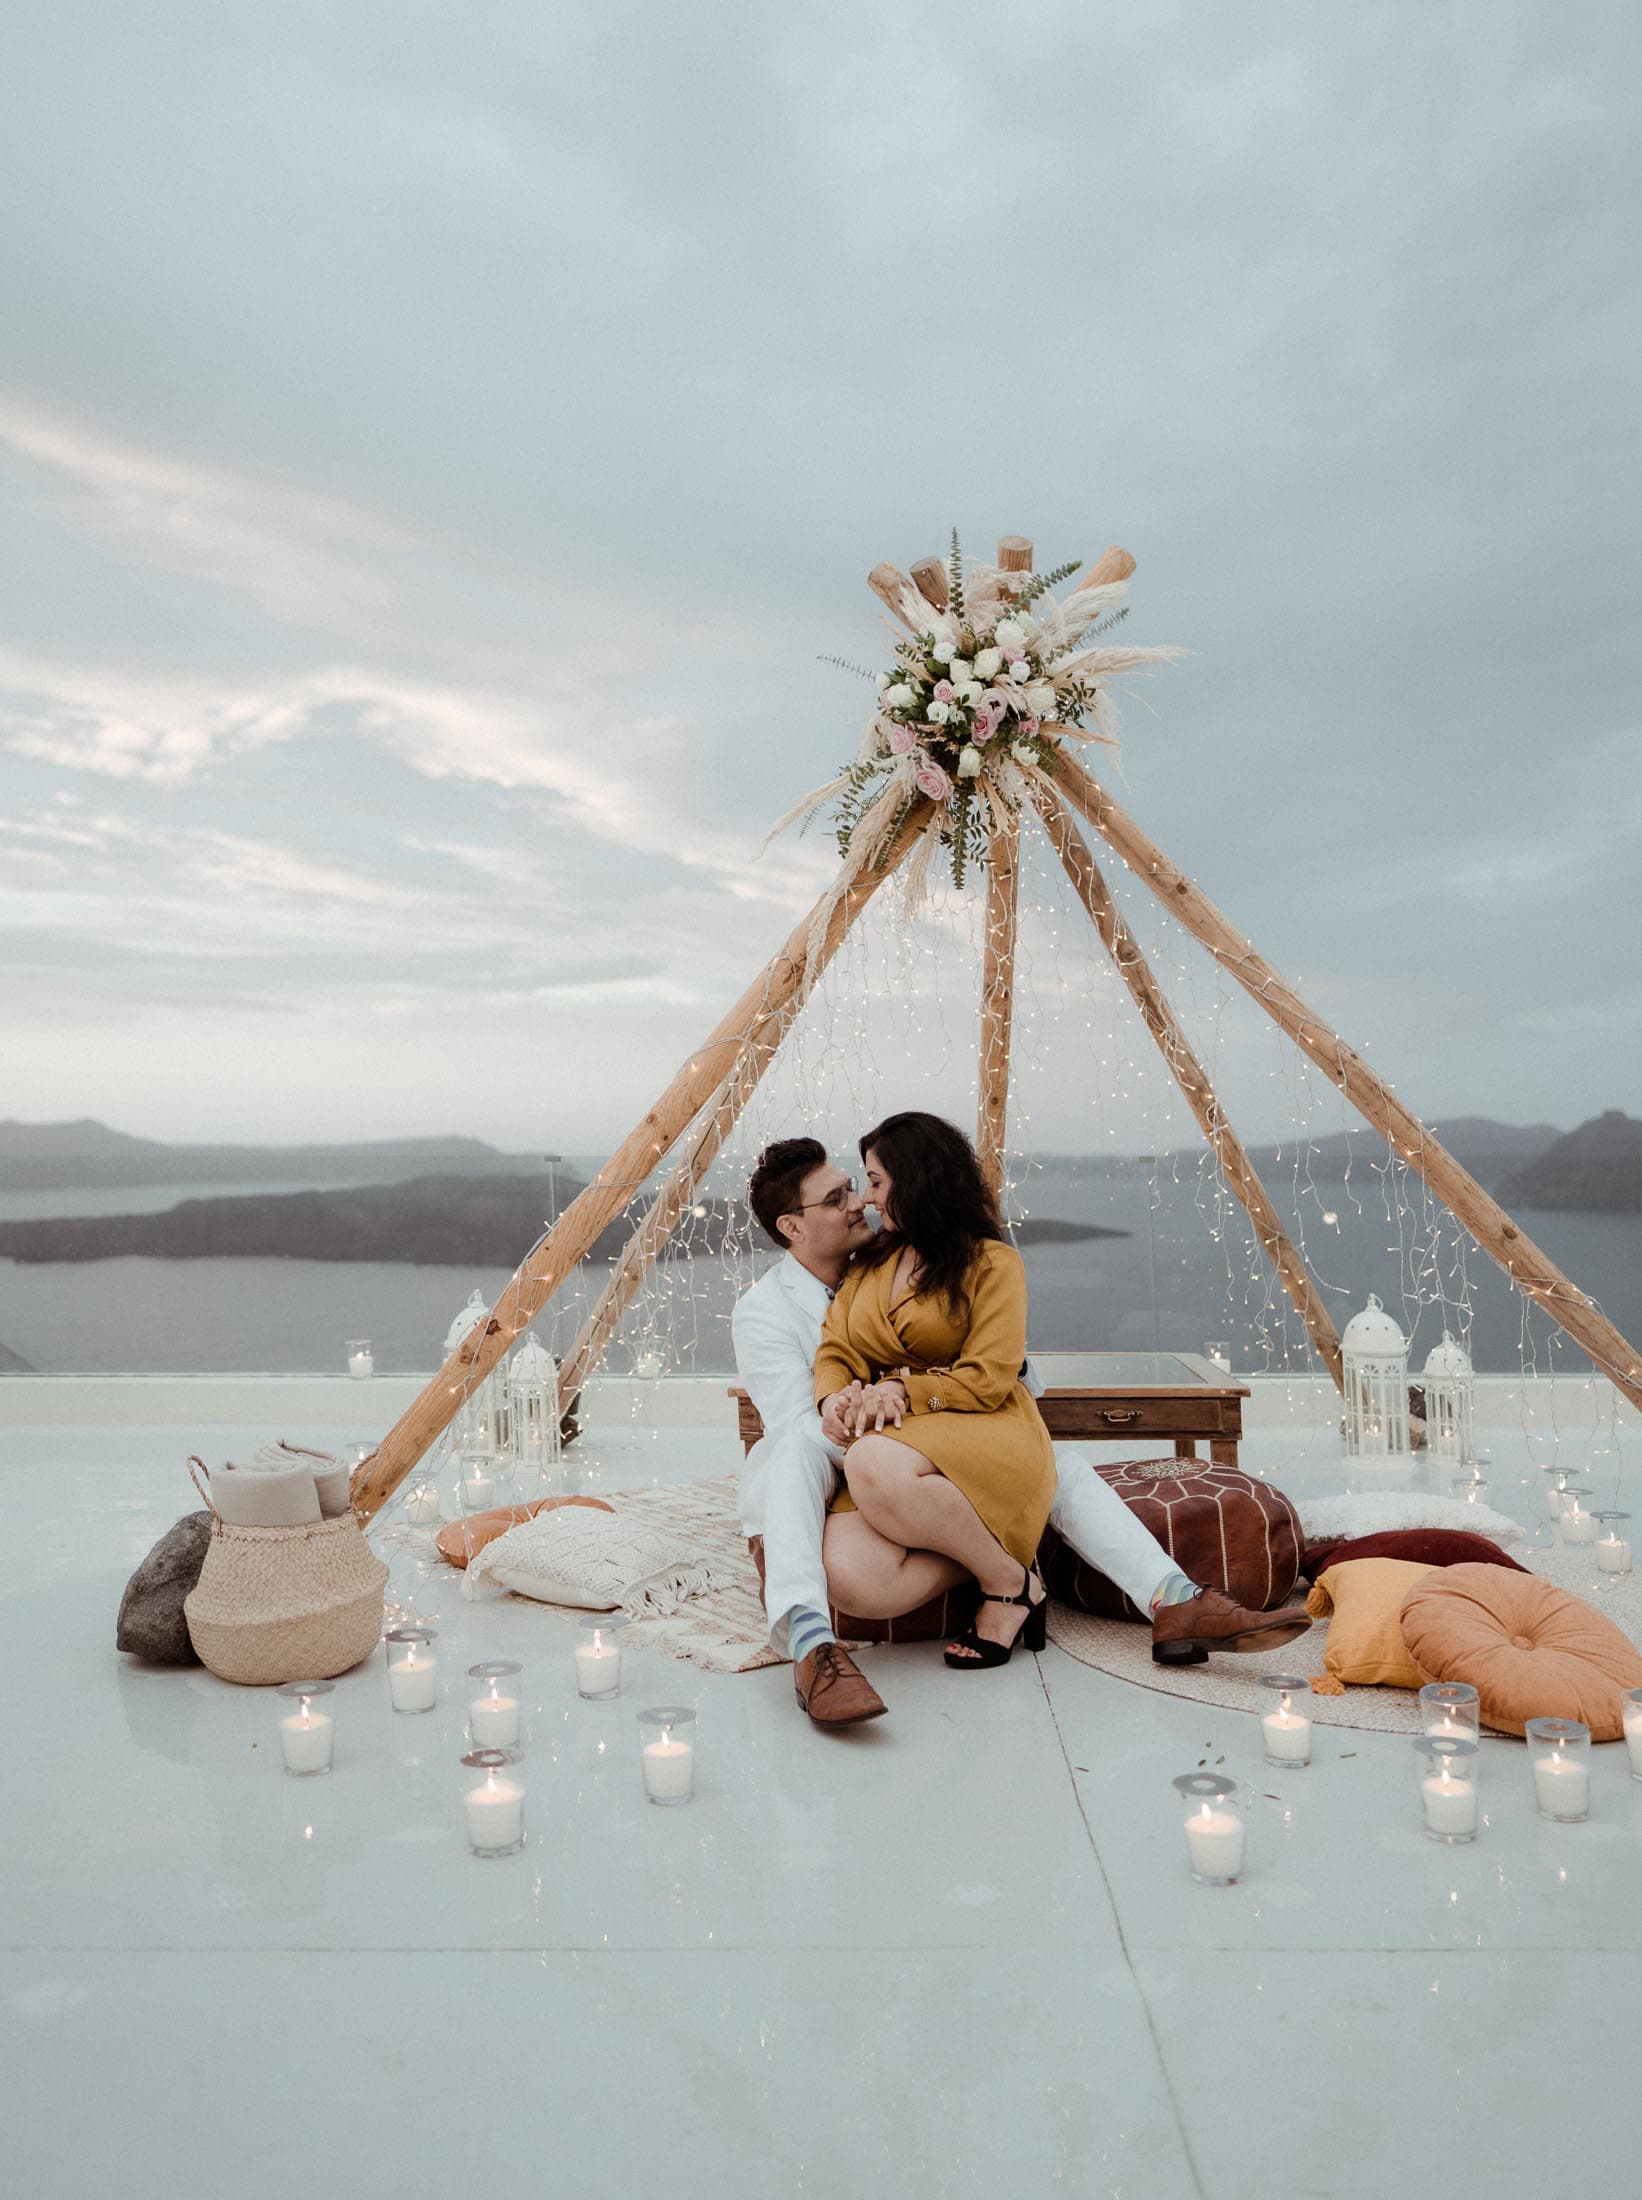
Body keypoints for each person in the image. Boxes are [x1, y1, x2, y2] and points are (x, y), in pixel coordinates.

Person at [734, 1127, 1310, 1717]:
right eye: (836, 1198)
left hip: (922, 1436)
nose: (859, 1201)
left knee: (1046, 1463)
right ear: (792, 1227)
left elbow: (1005, 1377)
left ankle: (1174, 1597)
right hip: (844, 1460)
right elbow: (802, 1426)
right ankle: (1012, 1568)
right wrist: (845, 1404)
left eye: (859, 1186)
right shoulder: (769, 1310)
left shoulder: (946, 1258)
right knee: (851, 1553)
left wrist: (920, 1385)